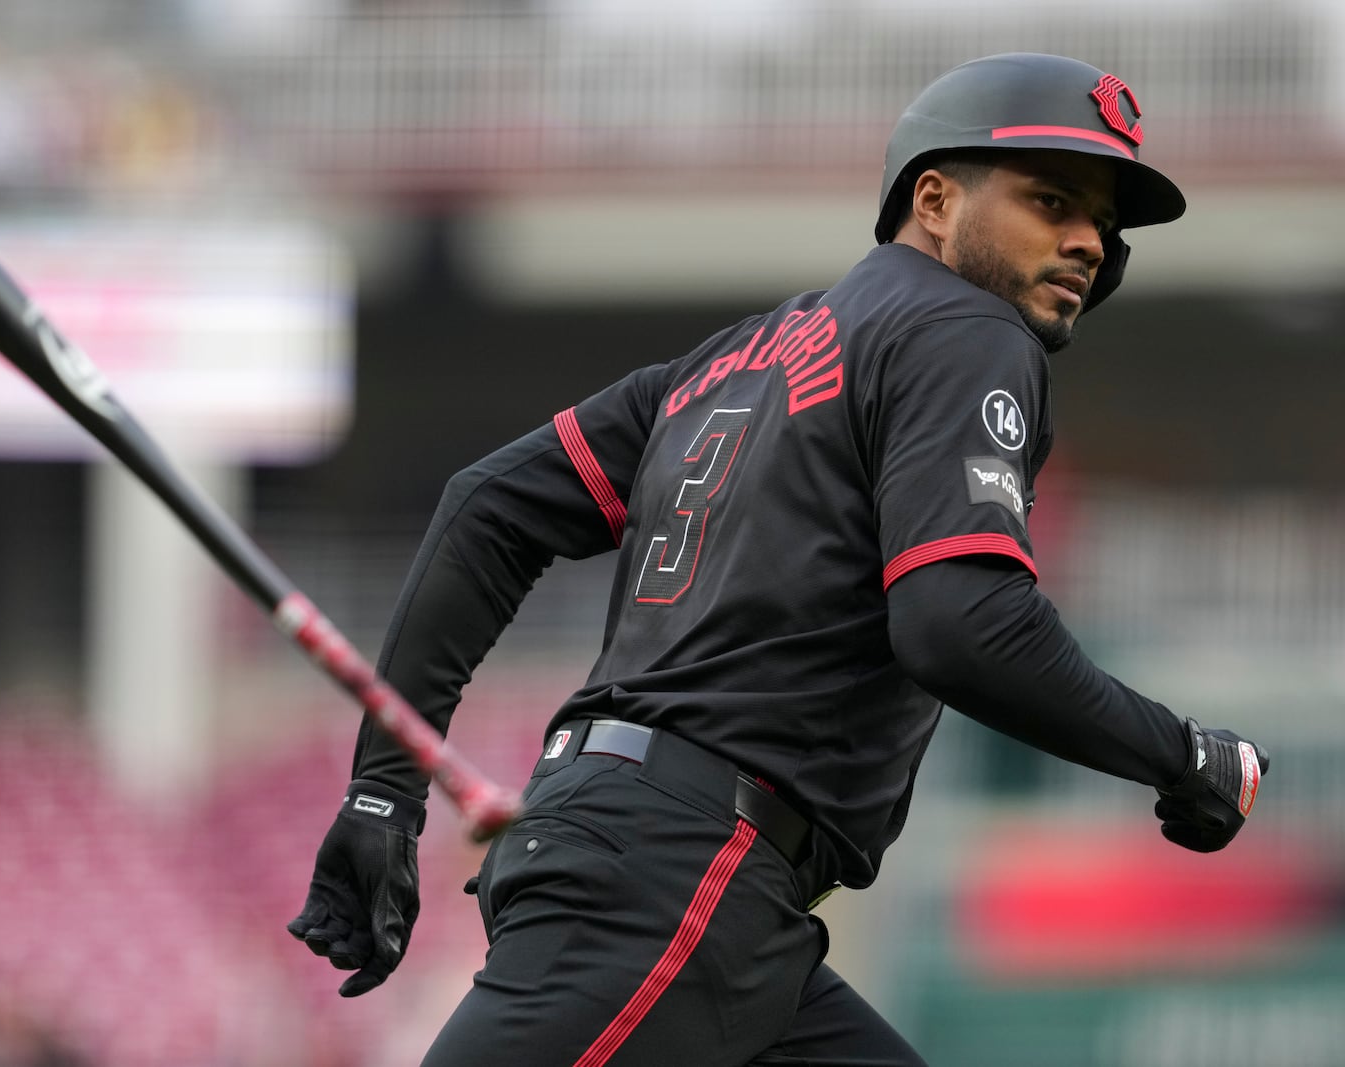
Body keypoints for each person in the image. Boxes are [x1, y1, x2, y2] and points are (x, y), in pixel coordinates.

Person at [287, 52, 1271, 1066]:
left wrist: (383, 789)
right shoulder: (966, 329)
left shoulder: (731, 357)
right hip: (678, 873)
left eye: (1103, 223)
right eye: (1051, 198)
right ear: (933, 200)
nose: (1086, 241)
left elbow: (486, 507)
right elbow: (958, 623)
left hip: (684, 878)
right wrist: (1181, 753)